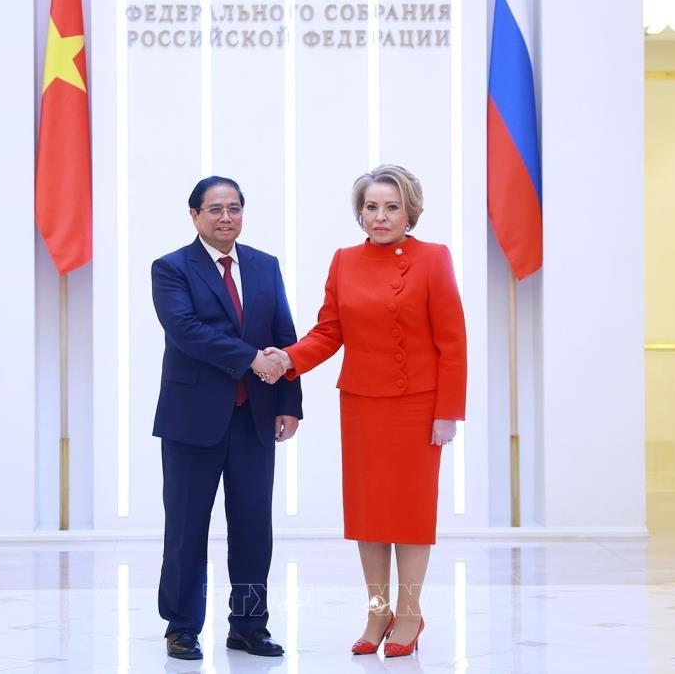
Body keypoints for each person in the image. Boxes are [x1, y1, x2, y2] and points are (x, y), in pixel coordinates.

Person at [262, 164, 466, 658]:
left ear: (410, 211)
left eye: (392, 207)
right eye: (371, 207)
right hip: (362, 405)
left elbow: (453, 341)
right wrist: (288, 359)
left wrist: (448, 411)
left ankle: (409, 613)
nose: (381, 216)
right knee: (369, 515)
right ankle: (378, 611)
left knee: (411, 515)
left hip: (418, 407)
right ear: (360, 213)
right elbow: (329, 331)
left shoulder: (434, 258)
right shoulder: (344, 261)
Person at [151, 176, 302, 661]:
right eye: (214, 209)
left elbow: (283, 332)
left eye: (234, 208)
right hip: (192, 420)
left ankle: (249, 625)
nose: (225, 217)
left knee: (254, 528)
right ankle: (181, 626)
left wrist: (288, 403)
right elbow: (187, 331)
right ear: (194, 215)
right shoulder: (171, 268)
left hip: (254, 418)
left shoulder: (264, 265)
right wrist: (251, 358)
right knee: (186, 528)